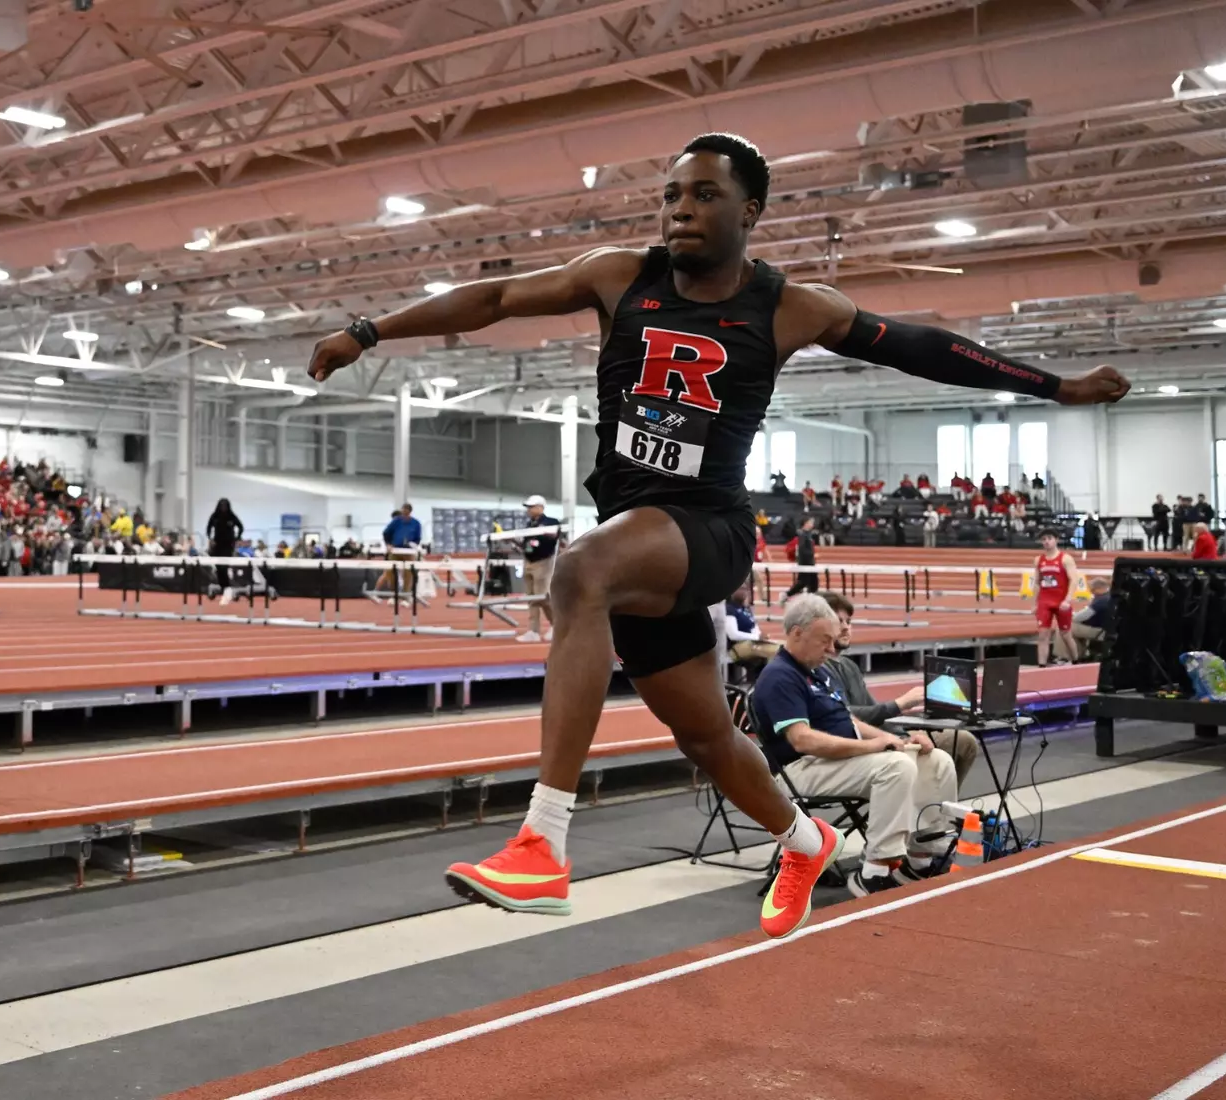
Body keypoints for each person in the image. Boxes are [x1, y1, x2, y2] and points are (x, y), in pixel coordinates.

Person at [307, 131, 1129, 939]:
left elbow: (919, 348)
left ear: (752, 211)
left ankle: (542, 841)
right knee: (705, 734)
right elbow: (492, 300)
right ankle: (807, 843)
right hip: (638, 536)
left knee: (578, 572)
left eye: (706, 196)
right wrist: (369, 332)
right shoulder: (619, 278)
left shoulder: (787, 306)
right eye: (671, 195)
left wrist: (1056, 388)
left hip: (710, 528)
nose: (681, 211)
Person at [751, 594, 957, 898]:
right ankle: (874, 869)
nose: (832, 649)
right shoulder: (779, 676)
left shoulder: (818, 671)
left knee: (935, 759)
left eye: (834, 641)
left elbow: (849, 721)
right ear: (797, 633)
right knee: (895, 766)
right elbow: (802, 739)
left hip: (836, 762)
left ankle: (921, 858)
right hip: (800, 769)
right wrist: (876, 747)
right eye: (825, 641)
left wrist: (896, 740)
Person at [820, 592, 977, 787]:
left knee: (963, 741)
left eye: (848, 621)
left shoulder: (848, 665)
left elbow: (875, 714)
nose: (845, 627)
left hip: (885, 739)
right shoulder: (818, 668)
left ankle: (937, 809)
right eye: (838, 621)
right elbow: (846, 716)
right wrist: (899, 705)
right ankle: (926, 808)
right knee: (958, 744)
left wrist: (905, 734)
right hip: (862, 748)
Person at [516, 495, 564, 643]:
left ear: (540, 507)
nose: (529, 510)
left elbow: (555, 537)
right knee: (531, 598)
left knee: (543, 597)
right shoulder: (529, 524)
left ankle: (558, 626)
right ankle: (533, 631)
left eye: (531, 507)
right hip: (528, 561)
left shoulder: (551, 522)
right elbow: (526, 543)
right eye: (528, 507)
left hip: (543, 562)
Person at [1033, 529, 1081, 665]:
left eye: (1049, 538)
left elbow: (1074, 580)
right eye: (1044, 539)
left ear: (1056, 540)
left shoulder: (1065, 559)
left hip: (1061, 601)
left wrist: (1068, 599)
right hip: (1045, 601)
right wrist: (1035, 603)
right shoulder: (1038, 560)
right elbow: (1037, 583)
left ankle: (1076, 659)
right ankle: (1041, 665)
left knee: (1065, 634)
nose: (1046, 542)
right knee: (1042, 635)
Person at [206, 498, 244, 603]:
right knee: (219, 569)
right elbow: (208, 528)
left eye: (225, 506)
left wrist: (237, 538)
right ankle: (225, 589)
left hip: (228, 545)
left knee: (224, 567)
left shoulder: (232, 516)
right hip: (217, 545)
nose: (223, 508)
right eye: (221, 506)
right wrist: (210, 539)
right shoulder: (215, 516)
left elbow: (241, 527)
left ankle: (227, 589)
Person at [784, 515, 819, 600]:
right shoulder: (802, 534)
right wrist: (812, 555)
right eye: (811, 522)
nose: (812, 524)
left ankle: (810, 599)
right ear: (805, 523)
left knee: (813, 583)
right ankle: (787, 595)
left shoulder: (808, 534)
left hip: (809, 562)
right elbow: (802, 549)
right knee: (804, 582)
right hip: (806, 562)